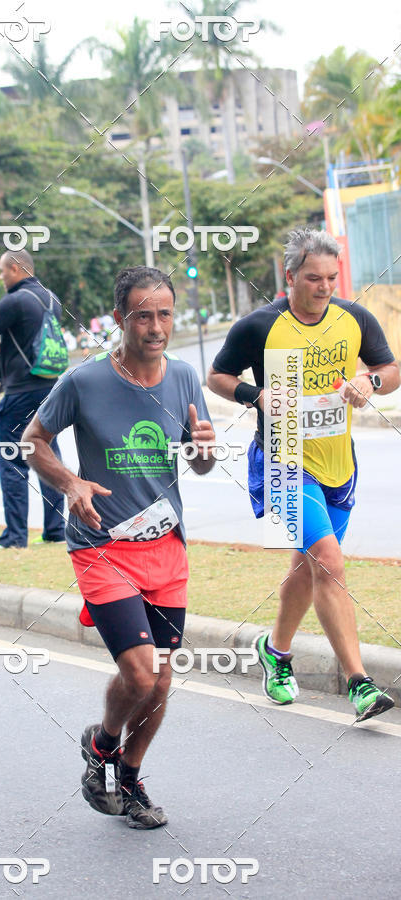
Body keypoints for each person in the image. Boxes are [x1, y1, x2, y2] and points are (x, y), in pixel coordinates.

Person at [23, 266, 216, 828]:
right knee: (138, 674)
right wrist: (70, 483)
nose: (156, 327)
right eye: (143, 316)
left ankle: (126, 774)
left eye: (164, 315)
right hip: (101, 547)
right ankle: (102, 745)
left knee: (160, 680)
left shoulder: (183, 377)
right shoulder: (84, 382)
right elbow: (33, 440)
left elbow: (199, 464)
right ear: (120, 319)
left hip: (166, 548)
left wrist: (205, 450)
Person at [207, 227, 400, 722]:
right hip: (282, 460)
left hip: (339, 463)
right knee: (331, 565)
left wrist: (369, 381)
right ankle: (359, 683)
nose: (325, 286)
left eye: (332, 277)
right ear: (290, 277)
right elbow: (218, 376)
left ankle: (275, 651)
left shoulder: (353, 318)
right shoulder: (259, 326)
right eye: (314, 278)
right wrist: (257, 396)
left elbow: (389, 368)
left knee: (307, 567)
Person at [0, 249, 65, 549]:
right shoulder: (51, 298)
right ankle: (55, 530)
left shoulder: (14, 300)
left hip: (20, 392)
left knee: (13, 461)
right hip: (50, 389)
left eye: (2, 272)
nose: (1, 278)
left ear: (14, 269)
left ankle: (15, 536)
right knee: (48, 456)